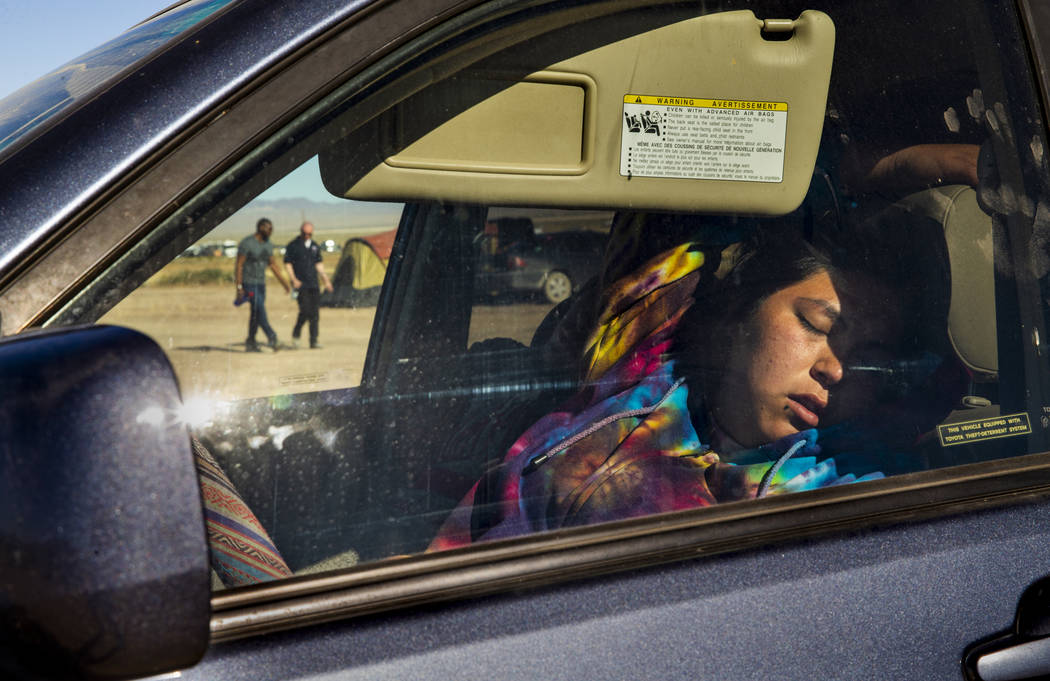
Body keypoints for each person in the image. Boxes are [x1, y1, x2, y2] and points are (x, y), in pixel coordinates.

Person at [429, 219, 960, 550]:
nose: (837, 368)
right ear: (739, 315)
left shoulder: (869, 501)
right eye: (817, 327)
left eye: (869, 358)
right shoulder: (605, 432)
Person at [235, 217, 291, 352]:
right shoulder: (247, 243)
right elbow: (239, 265)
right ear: (261, 228)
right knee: (260, 310)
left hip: (261, 284)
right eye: (269, 228)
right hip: (249, 284)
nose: (271, 231)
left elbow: (273, 265)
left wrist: (285, 283)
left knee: (255, 313)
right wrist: (239, 287)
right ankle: (273, 339)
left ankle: (250, 342)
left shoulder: (268, 244)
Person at [283, 221, 334, 349]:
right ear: (301, 232)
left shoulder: (315, 246)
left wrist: (326, 280)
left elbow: (319, 265)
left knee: (315, 314)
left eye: (309, 234)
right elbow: (288, 264)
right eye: (305, 233)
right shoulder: (293, 245)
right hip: (300, 284)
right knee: (305, 310)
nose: (307, 236)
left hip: (314, 284)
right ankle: (296, 334)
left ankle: (313, 340)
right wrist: (293, 279)